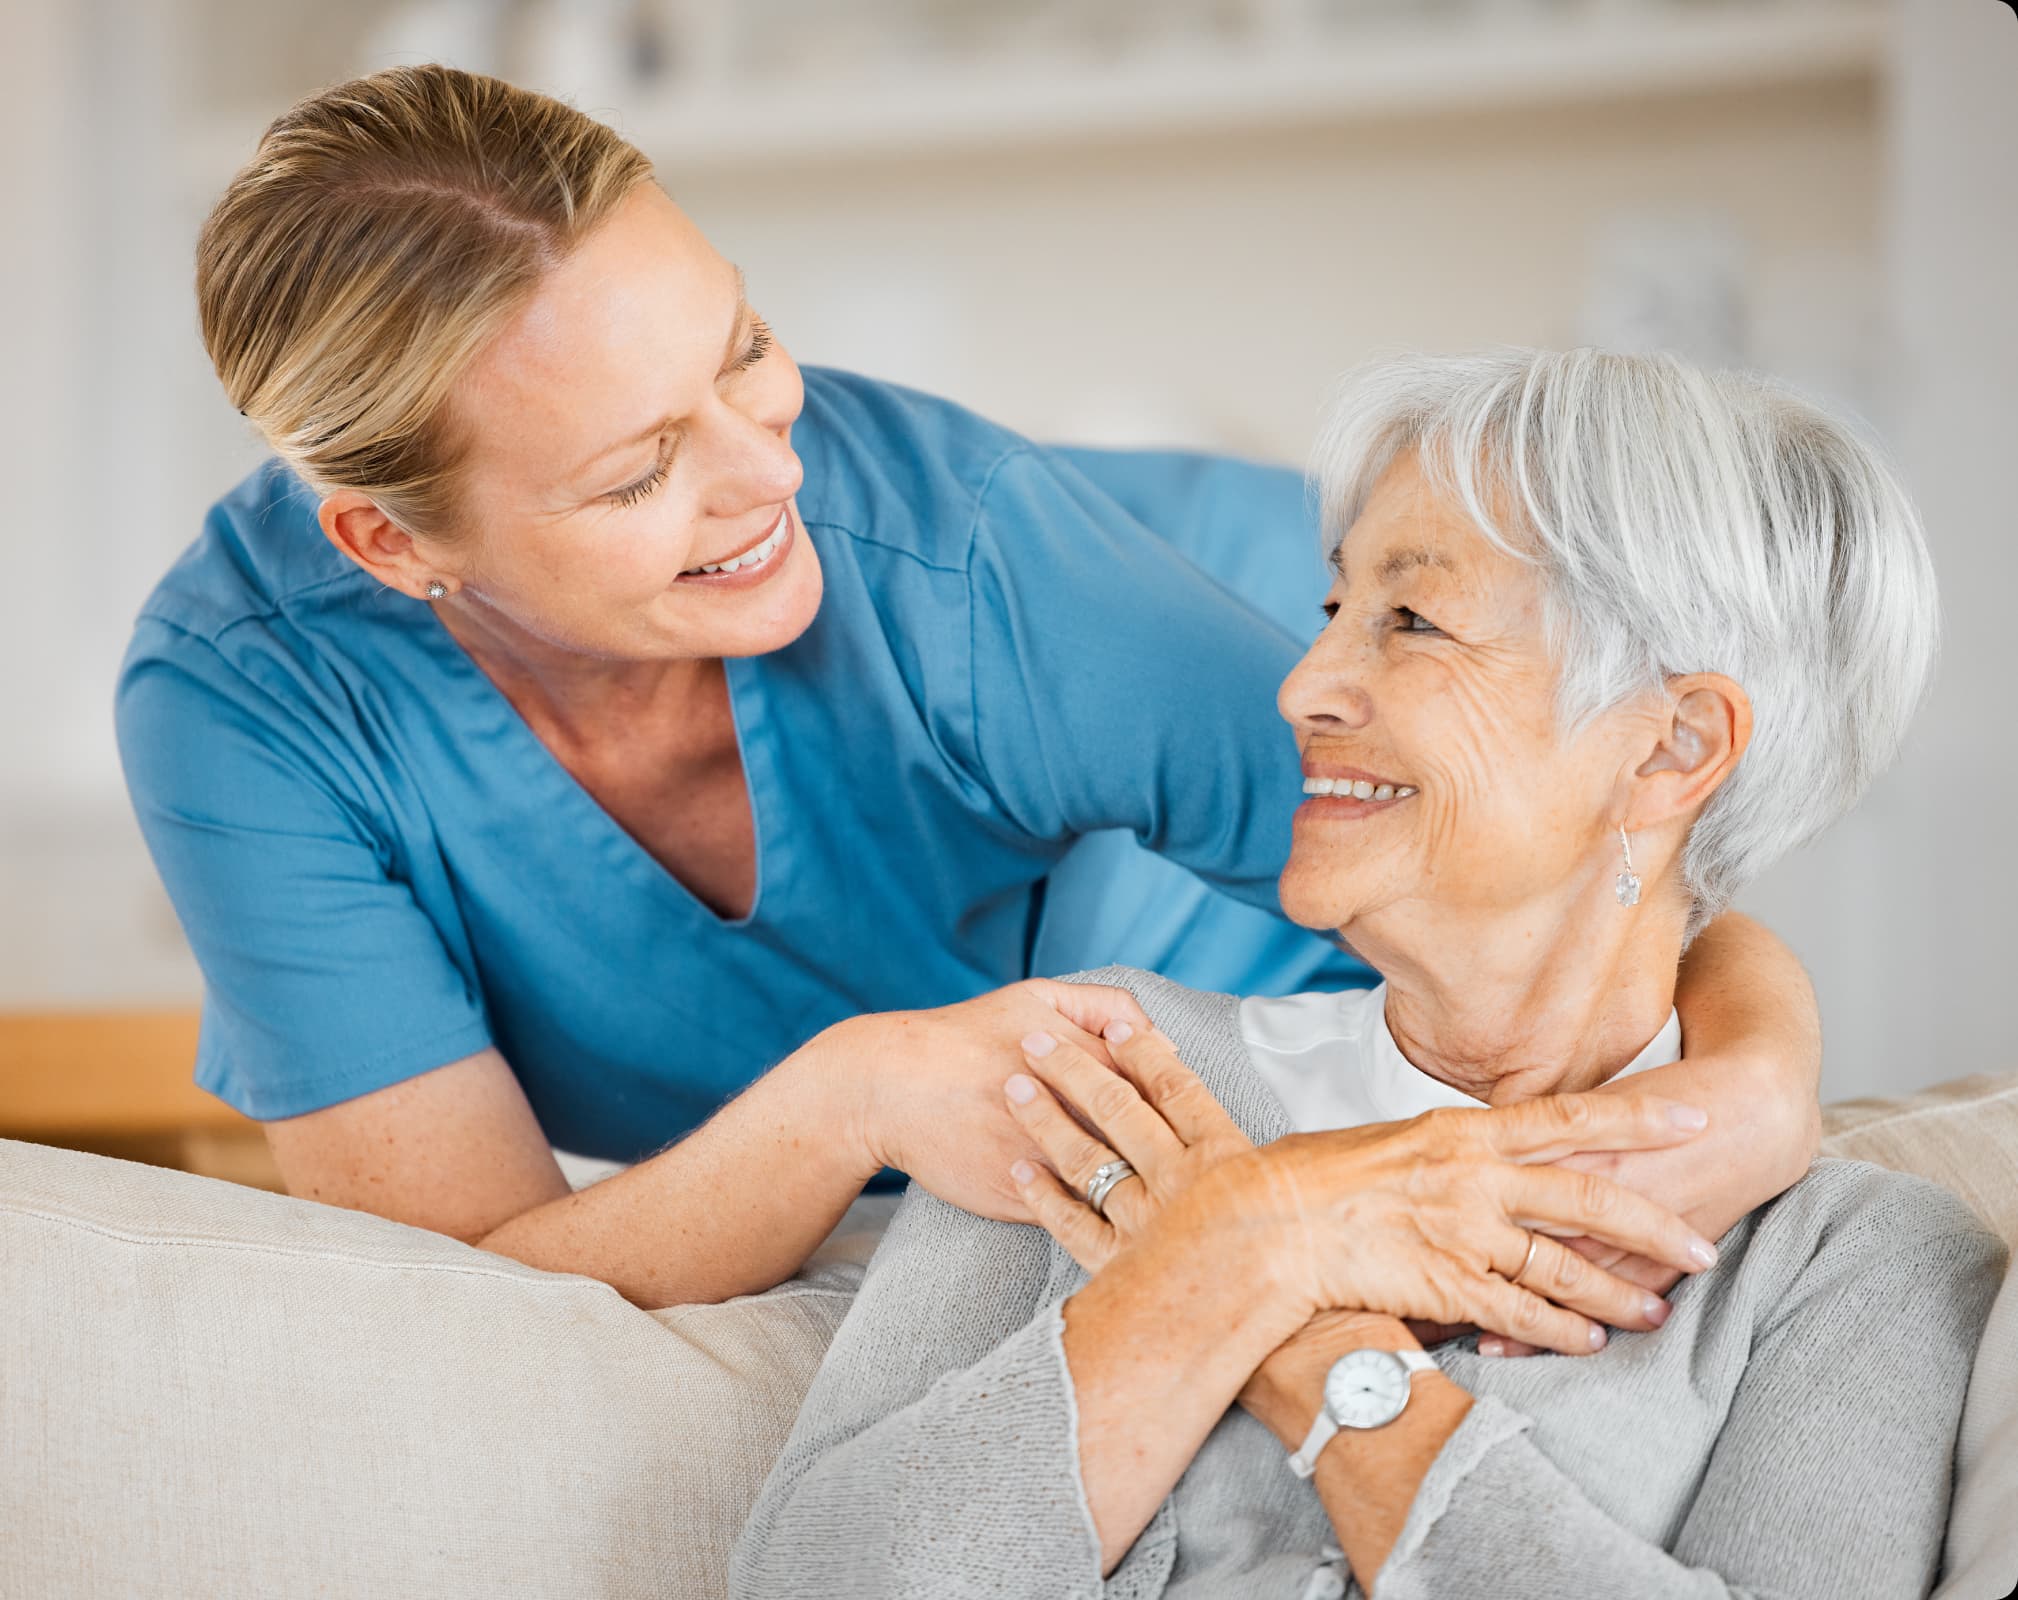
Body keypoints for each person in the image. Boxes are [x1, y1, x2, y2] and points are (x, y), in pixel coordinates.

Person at [119, 66, 1819, 1311]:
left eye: (742, 351)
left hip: (1263, 681)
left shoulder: (961, 566)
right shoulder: (249, 704)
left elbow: (1614, 859)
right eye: (642, 467)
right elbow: (473, 1288)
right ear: (392, 547)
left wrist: (1758, 1068)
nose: (762, 473)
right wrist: (859, 1088)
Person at [732, 350, 2006, 1598]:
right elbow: (811, 1582)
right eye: (1333, 609)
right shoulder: (1108, 1076)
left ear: (1670, 747)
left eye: (1411, 619)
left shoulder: (1852, 1268)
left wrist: (1313, 1338)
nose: (1300, 685)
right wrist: (1246, 1238)